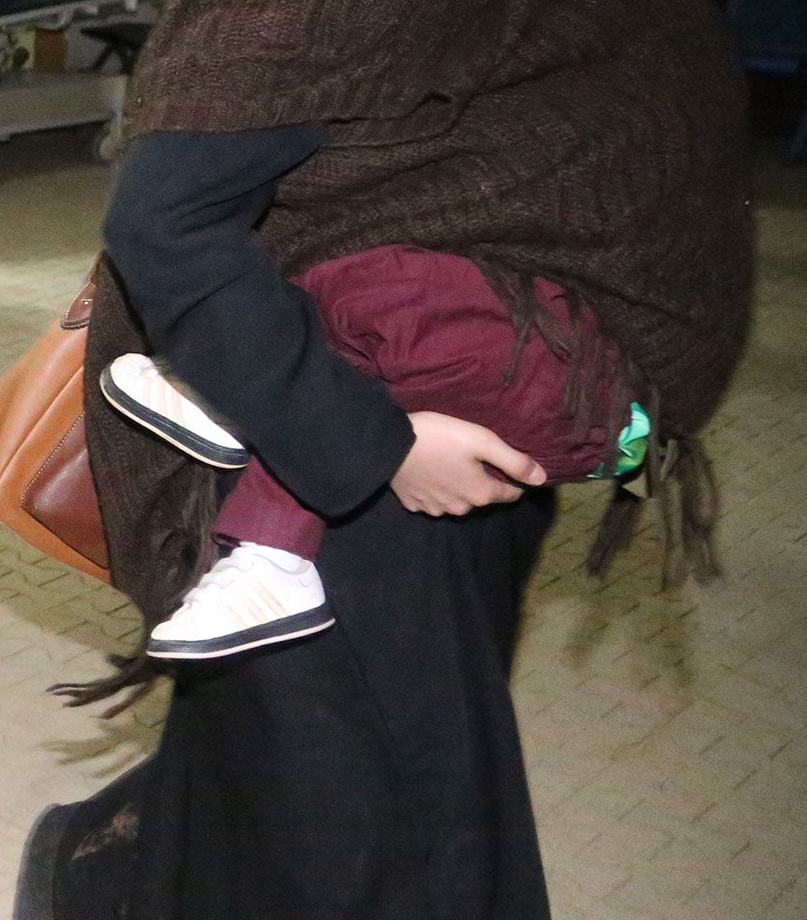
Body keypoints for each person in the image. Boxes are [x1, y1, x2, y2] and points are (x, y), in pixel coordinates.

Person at [14, 0, 754, 920]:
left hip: (438, 446)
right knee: (400, 834)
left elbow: (506, 148)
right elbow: (167, 228)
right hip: (301, 437)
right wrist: (376, 447)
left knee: (318, 763)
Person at [104, 244, 652, 659]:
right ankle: (263, 504)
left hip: (581, 394)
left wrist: (390, 446)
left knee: (361, 297)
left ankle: (254, 459)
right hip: (567, 400)